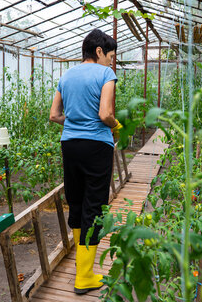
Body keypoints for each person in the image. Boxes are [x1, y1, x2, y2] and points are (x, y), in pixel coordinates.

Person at [49, 29, 121, 294]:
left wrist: (76, 123)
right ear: (99, 51)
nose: (111, 62)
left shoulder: (66, 75)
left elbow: (54, 115)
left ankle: (82, 268)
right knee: (95, 205)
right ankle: (85, 277)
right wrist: (115, 125)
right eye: (110, 56)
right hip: (96, 146)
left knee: (77, 202)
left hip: (69, 144)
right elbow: (105, 114)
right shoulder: (105, 75)